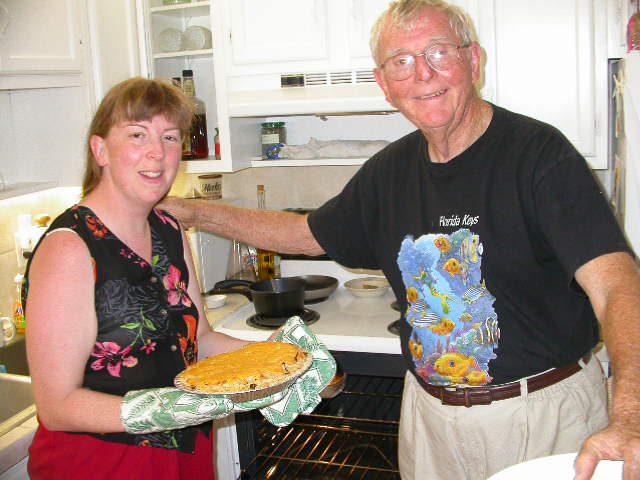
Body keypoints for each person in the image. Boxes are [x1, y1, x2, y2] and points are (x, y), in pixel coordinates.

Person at [158, 0, 640, 479]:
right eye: (401, 62)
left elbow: (618, 284)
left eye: (438, 52)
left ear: (473, 60)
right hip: (429, 419)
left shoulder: (538, 155)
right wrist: (194, 212)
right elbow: (304, 234)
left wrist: (632, 417)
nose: (422, 74)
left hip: (540, 414)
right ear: (385, 85)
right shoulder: (390, 171)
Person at [22, 77, 266, 479]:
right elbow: (57, 405)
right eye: (138, 135)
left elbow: (199, 340)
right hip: (104, 463)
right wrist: (176, 408)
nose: (157, 152)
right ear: (100, 149)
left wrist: (276, 358)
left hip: (187, 451)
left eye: (169, 137)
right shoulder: (70, 248)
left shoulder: (169, 229)